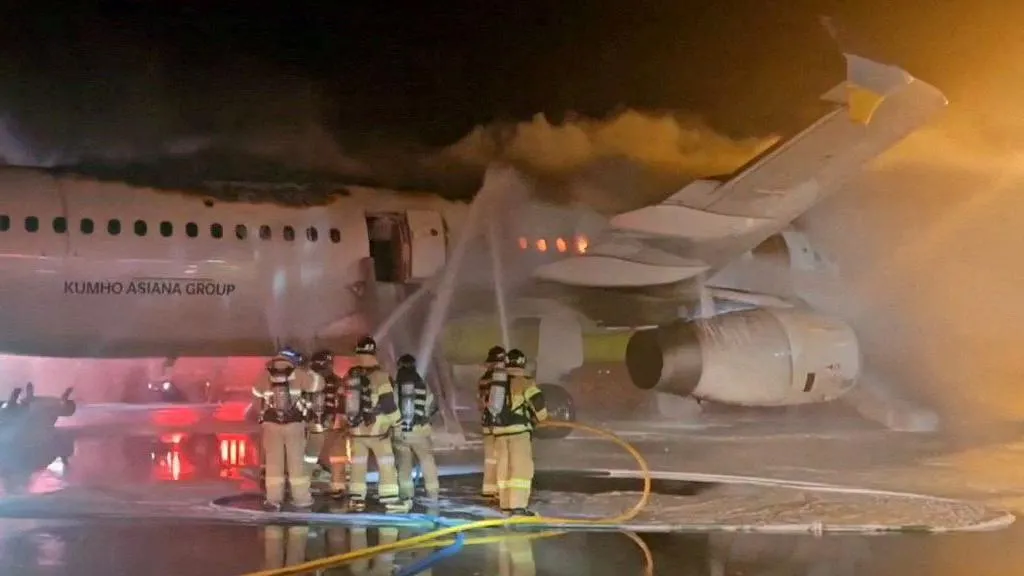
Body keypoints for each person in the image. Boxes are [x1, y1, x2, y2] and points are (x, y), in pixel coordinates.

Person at [343, 336, 406, 512]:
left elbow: (343, 402)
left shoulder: (350, 375)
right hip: (378, 432)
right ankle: (390, 499)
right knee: (386, 463)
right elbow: (387, 403)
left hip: (356, 431)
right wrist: (398, 421)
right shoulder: (381, 376)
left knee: (357, 465)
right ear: (374, 352)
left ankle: (356, 500)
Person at [252, 347, 316, 510]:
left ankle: (274, 499)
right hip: (294, 424)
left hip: (271, 424)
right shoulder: (299, 374)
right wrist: (309, 371)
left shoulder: (265, 375)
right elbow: (318, 385)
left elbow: (256, 396)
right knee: (296, 464)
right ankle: (301, 500)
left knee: (274, 464)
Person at [490, 348, 547, 516]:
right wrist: (542, 419)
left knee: (504, 470)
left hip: (499, 433)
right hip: (518, 433)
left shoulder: (497, 383)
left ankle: (506, 505)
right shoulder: (525, 382)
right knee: (520, 471)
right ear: (522, 363)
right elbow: (538, 405)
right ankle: (518, 507)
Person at [393, 353, 440, 500]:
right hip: (420, 430)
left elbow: (393, 406)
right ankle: (433, 493)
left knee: (404, 466)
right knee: (427, 462)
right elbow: (432, 405)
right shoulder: (423, 384)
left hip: (401, 431)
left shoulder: (397, 385)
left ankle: (406, 495)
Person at [308, 348, 349, 498]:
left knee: (311, 456)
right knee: (337, 457)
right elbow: (345, 403)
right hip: (336, 425)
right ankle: (337, 486)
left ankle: (306, 486)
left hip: (316, 426)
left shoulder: (312, 381)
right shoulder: (338, 381)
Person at [478, 346, 505, 500]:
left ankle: (489, 490)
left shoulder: (484, 379)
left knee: (490, 459)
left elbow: (480, 402)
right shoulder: (504, 378)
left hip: (487, 423)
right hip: (501, 425)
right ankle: (501, 492)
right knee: (503, 458)